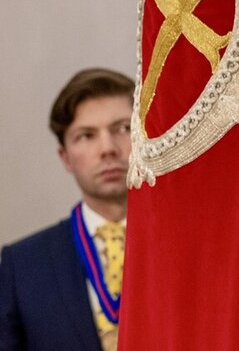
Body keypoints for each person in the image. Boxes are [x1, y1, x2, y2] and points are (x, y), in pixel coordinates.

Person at [0, 68, 134, 351]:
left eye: (124, 128)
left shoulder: (191, 246)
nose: (108, 149)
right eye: (86, 136)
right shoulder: (22, 265)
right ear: (65, 158)